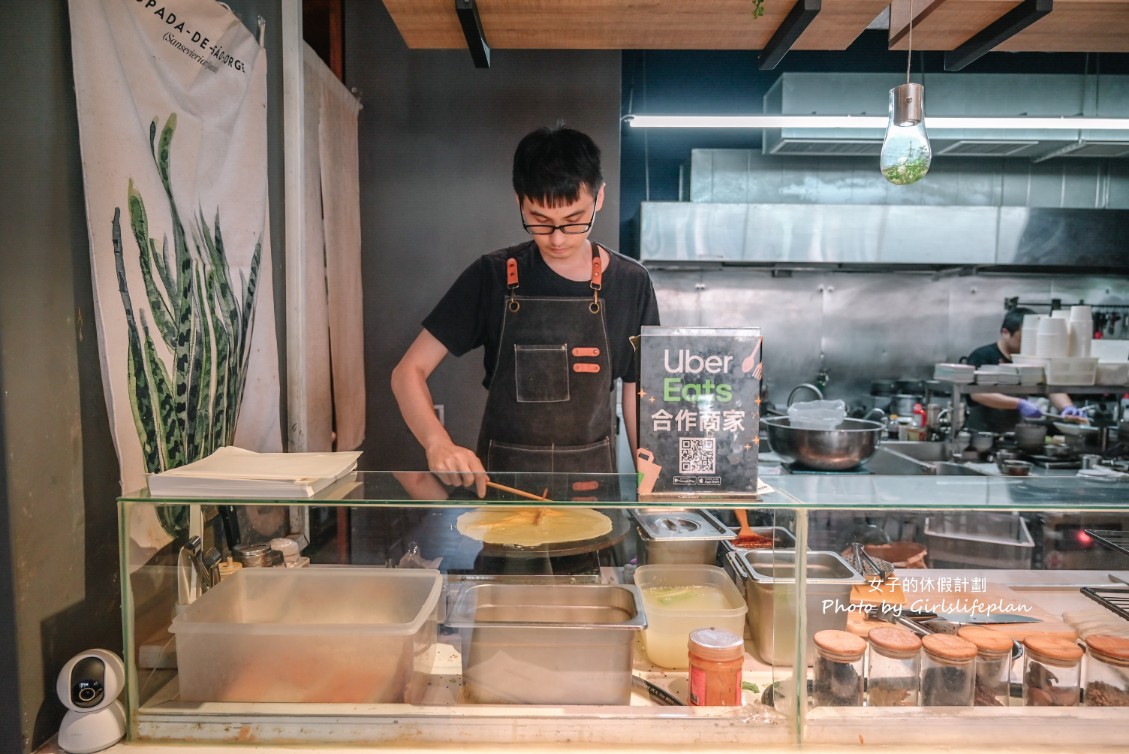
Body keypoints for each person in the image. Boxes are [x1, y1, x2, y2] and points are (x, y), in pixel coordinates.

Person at [391, 125, 661, 496]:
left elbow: (638, 391)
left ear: (599, 197)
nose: (557, 239)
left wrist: (653, 489)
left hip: (592, 489)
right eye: (540, 221)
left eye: (573, 221)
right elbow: (408, 371)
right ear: (520, 202)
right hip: (505, 491)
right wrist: (437, 442)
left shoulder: (631, 283)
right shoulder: (492, 275)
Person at [964, 307, 1084, 433]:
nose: (1030, 344)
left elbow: (1050, 386)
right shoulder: (982, 355)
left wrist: (1067, 407)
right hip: (982, 433)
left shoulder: (1033, 358)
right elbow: (978, 394)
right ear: (1005, 332)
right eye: (1024, 340)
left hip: (1014, 431)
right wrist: (1019, 404)